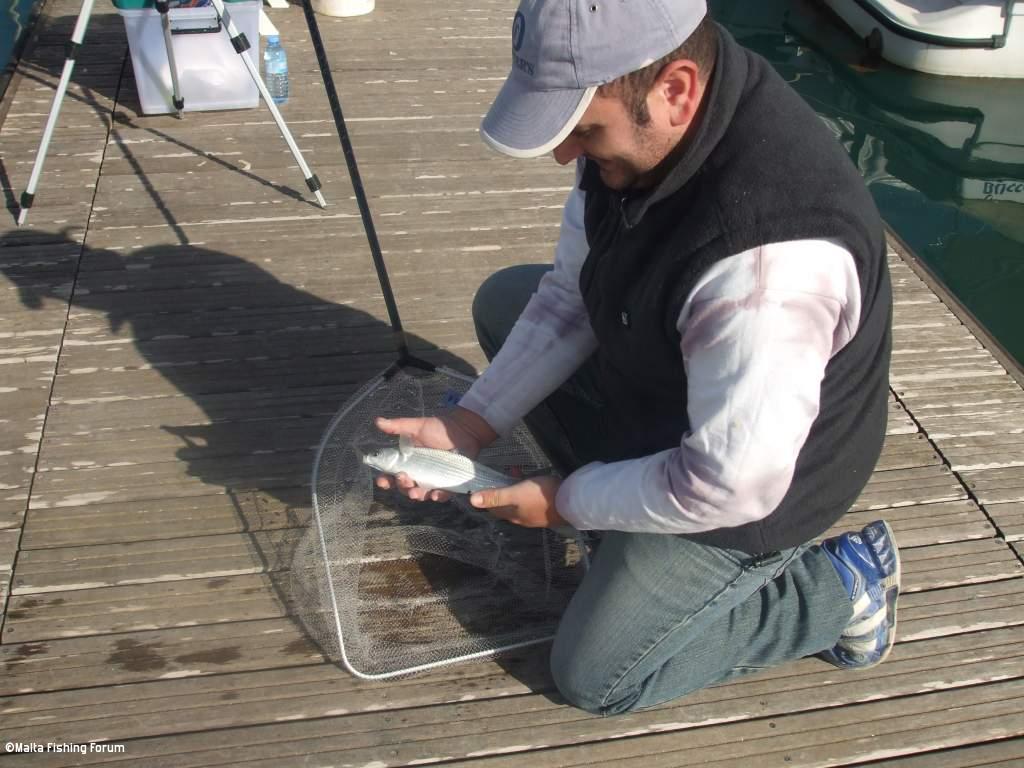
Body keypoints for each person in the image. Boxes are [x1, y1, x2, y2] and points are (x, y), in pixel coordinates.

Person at [374, 0, 900, 715]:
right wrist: (473, 422)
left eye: (582, 129)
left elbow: (729, 485)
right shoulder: (654, 128)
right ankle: (621, 507)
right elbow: (568, 295)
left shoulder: (769, 260)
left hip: (758, 483)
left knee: (597, 674)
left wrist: (570, 502)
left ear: (676, 90)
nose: (565, 155)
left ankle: (838, 589)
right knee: (509, 302)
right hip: (685, 388)